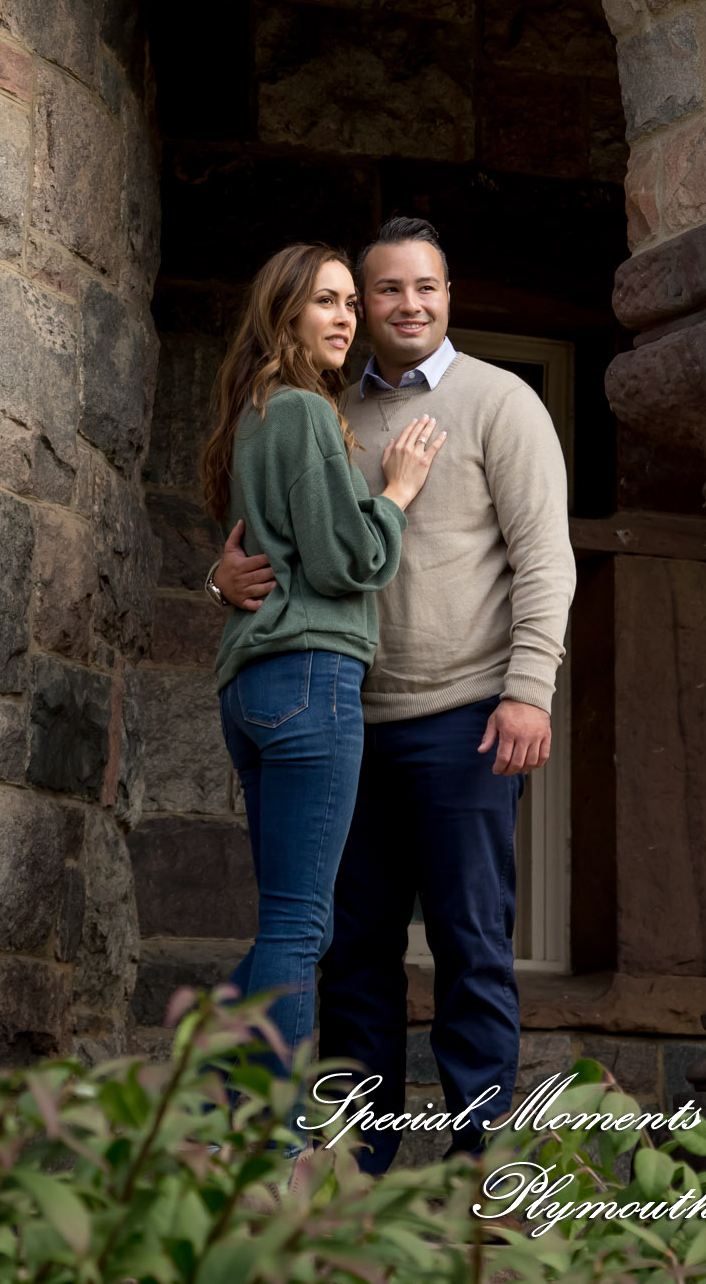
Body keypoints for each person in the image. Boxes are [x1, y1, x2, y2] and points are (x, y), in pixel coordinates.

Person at [213, 217, 575, 1173]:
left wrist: (528, 690)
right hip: (346, 721)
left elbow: (546, 560)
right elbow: (281, 539)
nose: (406, 305)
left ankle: (482, 1173)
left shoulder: (501, 402)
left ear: (448, 297)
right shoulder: (325, 406)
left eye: (425, 287)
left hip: (467, 717)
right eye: (384, 291)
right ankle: (356, 1175)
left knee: (471, 948)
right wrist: (218, 579)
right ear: (361, 308)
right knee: (351, 959)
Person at [203, 240, 446, 1064]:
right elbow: (350, 562)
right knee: (300, 925)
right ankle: (267, 1129)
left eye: (349, 303)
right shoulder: (304, 412)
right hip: (311, 675)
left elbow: (255, 553)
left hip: (252, 687)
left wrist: (215, 585)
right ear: (284, 315)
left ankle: (207, 1096)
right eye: (325, 302)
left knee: (291, 922)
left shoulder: (253, 414)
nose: (345, 319)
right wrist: (397, 495)